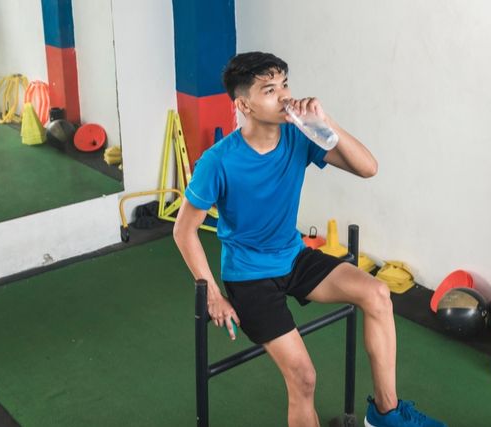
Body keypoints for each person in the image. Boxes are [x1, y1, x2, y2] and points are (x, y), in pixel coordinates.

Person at [173, 51, 446, 427]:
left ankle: (385, 414)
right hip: (249, 277)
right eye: (269, 90)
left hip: (294, 257)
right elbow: (183, 230)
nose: (284, 96)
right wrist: (214, 295)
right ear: (244, 105)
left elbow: (368, 168)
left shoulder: (299, 136)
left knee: (378, 294)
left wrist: (323, 121)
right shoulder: (218, 162)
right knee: (304, 378)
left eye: (285, 84)